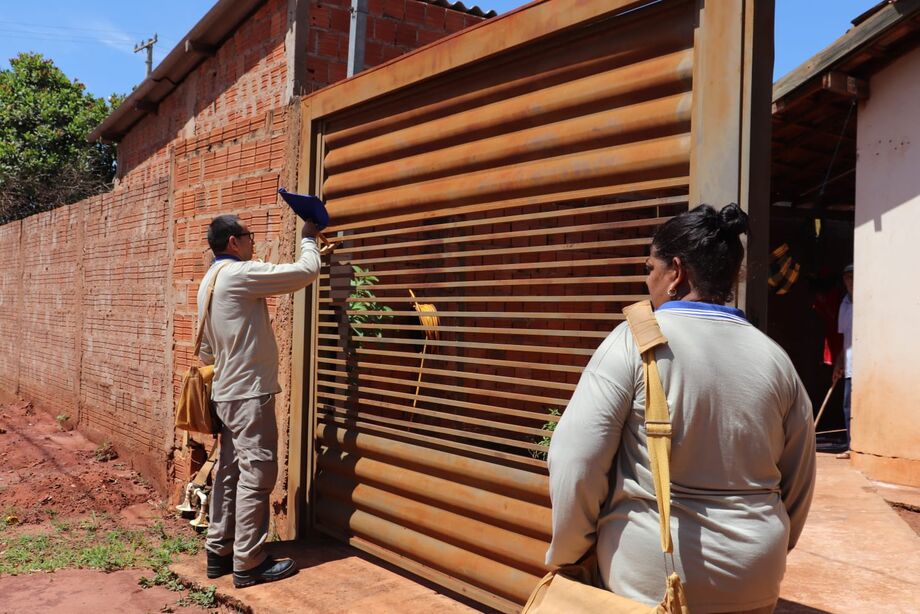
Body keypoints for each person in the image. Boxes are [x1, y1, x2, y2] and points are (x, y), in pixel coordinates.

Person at [546, 204, 816, 613]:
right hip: (756, 577)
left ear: (675, 272)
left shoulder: (633, 341)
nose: (647, 279)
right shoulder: (776, 359)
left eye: (649, 267)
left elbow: (575, 461)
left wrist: (570, 553)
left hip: (648, 578)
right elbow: (799, 482)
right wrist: (760, 550)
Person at [198, 213, 323, 588]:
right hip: (249, 394)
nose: (253, 242)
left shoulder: (210, 280)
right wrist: (308, 236)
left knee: (230, 473)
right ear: (234, 242)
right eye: (249, 236)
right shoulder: (240, 273)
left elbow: (205, 350)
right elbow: (304, 273)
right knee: (258, 474)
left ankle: (219, 551)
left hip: (226, 393)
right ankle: (249, 562)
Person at [833, 264, 854, 459]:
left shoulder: (865, 302)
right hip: (849, 364)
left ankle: (858, 447)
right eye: (847, 278)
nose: (850, 282)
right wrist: (839, 362)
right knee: (848, 405)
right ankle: (851, 446)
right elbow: (845, 338)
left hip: (865, 366)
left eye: (853, 277)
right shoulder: (844, 304)